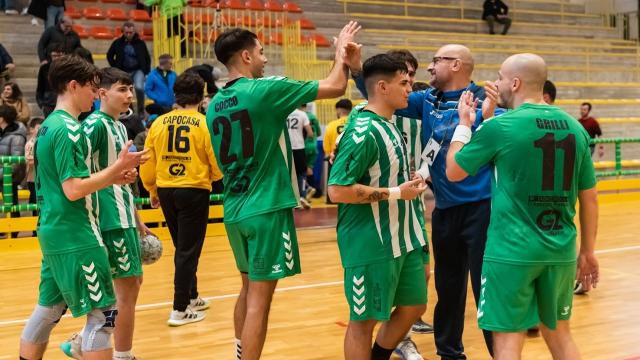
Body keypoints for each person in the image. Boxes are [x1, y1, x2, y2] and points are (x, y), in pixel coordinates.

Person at [207, 23, 361, 360]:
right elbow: (336, 86)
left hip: (234, 208)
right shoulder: (264, 89)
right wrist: (342, 53)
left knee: (247, 290)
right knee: (259, 304)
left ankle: (239, 352)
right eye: (261, 52)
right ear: (246, 56)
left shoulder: (214, 104)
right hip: (266, 207)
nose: (264, 59)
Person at [445, 52, 599, 360]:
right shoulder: (575, 128)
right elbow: (589, 197)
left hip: (510, 252)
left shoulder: (500, 128)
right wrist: (588, 251)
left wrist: (464, 124)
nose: (497, 83)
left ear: (514, 83)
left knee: (507, 342)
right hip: (561, 251)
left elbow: (453, 171)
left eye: (501, 77)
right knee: (560, 336)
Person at [351, 44, 500, 360]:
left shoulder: (486, 101)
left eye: (436, 61)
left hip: (482, 209)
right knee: (447, 288)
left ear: (456, 65)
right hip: (444, 210)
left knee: (486, 291)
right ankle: (449, 353)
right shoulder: (425, 100)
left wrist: (490, 116)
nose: (429, 68)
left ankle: (500, 353)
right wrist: (354, 68)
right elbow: (378, 90)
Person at [18, 54, 146, 360]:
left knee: (47, 311)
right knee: (104, 317)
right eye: (91, 88)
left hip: (53, 230)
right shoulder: (70, 129)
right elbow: (74, 189)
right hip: (78, 234)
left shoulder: (48, 126)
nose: (95, 94)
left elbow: (71, 179)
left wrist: (113, 176)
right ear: (73, 86)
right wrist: (115, 173)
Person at [328, 53, 429, 360]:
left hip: (404, 237)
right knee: (364, 320)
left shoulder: (389, 124)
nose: (410, 89)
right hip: (371, 241)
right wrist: (398, 192)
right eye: (404, 83)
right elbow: (337, 190)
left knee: (414, 306)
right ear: (383, 87)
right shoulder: (362, 131)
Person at [59, 68, 154, 360]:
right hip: (109, 219)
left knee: (130, 287)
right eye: (122, 90)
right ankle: (120, 354)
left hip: (124, 216)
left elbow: (121, 179)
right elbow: (78, 171)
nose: (129, 96)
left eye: (129, 90)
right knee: (124, 292)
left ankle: (81, 342)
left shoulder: (119, 127)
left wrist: (138, 220)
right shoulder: (95, 126)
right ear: (102, 94)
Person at [140, 72, 223, 326]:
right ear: (201, 95)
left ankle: (192, 296)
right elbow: (216, 162)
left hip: (166, 189)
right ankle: (179, 309)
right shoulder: (204, 122)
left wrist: (152, 189)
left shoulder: (159, 123)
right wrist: (211, 176)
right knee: (189, 249)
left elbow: (148, 160)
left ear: (176, 94)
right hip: (193, 189)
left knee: (183, 247)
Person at [107, 22, 151, 115]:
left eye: (131, 32)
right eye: (126, 32)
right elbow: (109, 55)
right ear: (123, 32)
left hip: (138, 70)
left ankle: (141, 110)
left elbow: (147, 57)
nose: (128, 34)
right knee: (124, 90)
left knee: (139, 88)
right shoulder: (117, 42)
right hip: (123, 71)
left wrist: (146, 71)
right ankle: (127, 111)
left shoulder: (140, 43)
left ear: (134, 32)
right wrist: (115, 67)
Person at [0, 104, 26, 237]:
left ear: (2, 118)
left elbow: (16, 161)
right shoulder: (2, 132)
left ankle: (14, 231)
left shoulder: (17, 136)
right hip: (2, 175)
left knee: (12, 203)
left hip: (11, 177)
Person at [286, 106, 313, 208]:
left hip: (287, 148)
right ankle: (302, 196)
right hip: (299, 147)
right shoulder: (302, 114)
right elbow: (310, 133)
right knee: (301, 173)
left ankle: (291, 200)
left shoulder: (285, 112)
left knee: (289, 174)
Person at [36, 43, 66, 117]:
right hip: (48, 103)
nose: (57, 58)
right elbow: (40, 87)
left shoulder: (69, 68)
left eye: (59, 55)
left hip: (65, 101)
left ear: (64, 55)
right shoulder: (44, 68)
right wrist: (41, 104)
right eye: (54, 56)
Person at [24, 117, 43, 221]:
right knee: (35, 203)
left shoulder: (42, 142)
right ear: (31, 129)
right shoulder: (30, 144)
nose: (41, 130)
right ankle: (34, 228)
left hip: (42, 178)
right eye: (38, 128)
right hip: (33, 179)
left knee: (42, 202)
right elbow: (29, 160)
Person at [300, 103, 321, 198]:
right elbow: (319, 132)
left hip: (302, 146)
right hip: (313, 146)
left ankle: (305, 192)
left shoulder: (299, 116)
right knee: (309, 169)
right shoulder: (312, 116)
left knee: (301, 171)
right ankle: (314, 190)